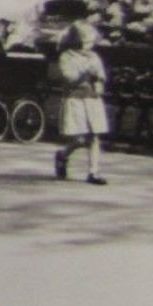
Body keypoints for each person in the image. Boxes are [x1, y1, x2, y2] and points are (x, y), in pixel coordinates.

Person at [52, 22, 111, 186]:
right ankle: (63, 155)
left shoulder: (94, 57)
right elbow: (68, 77)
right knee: (79, 139)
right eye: (84, 42)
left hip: (91, 99)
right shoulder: (67, 56)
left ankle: (93, 172)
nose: (88, 46)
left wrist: (99, 85)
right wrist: (84, 75)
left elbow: (100, 77)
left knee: (94, 135)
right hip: (75, 99)